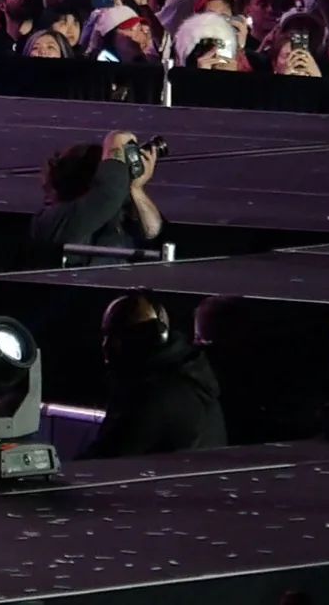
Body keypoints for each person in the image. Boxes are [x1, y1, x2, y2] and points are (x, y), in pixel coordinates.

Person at [80, 290, 226, 459]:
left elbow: (101, 462)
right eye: (107, 335)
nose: (108, 345)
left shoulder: (153, 398)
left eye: (121, 334)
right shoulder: (191, 379)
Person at [29, 131, 164, 267]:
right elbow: (109, 191)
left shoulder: (111, 207)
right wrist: (115, 144)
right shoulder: (51, 222)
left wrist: (136, 188)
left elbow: (151, 230)